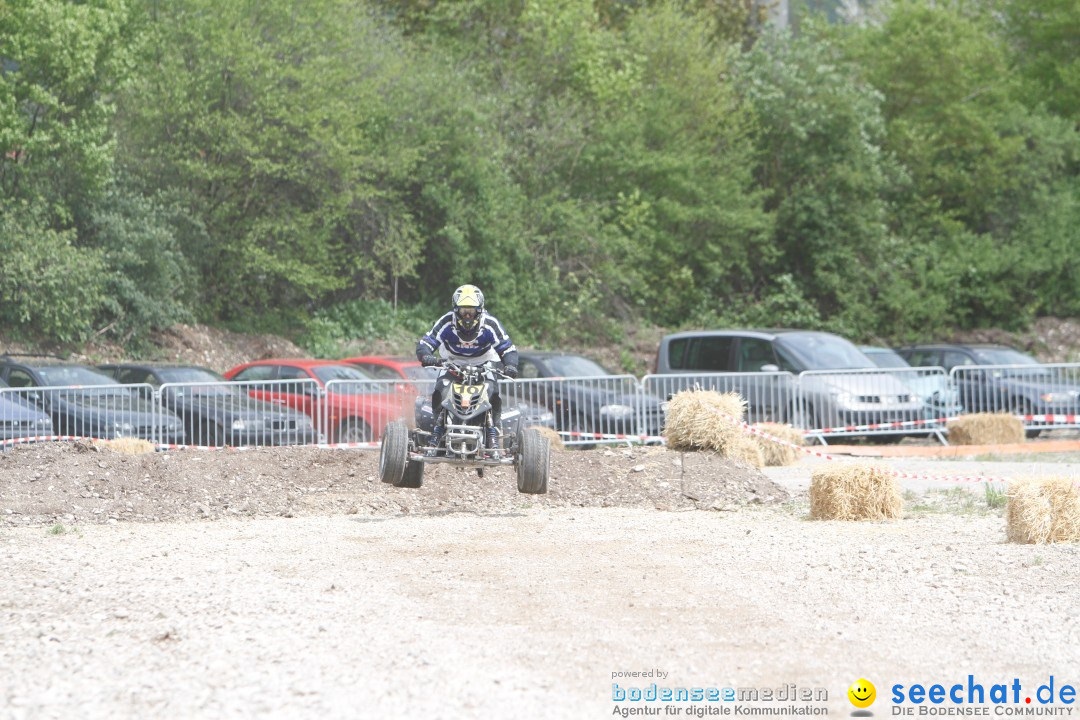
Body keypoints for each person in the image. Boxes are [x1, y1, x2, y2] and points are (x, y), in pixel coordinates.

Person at [415, 284, 519, 457]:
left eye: (471, 311)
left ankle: (493, 435)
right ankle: (437, 431)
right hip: (452, 362)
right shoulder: (446, 322)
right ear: (456, 310)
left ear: (480, 310)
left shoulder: (490, 324)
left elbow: (507, 348)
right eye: (464, 311)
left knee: (492, 392)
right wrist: (426, 356)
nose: (468, 316)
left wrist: (510, 365)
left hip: (483, 364)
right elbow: (426, 343)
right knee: (441, 388)